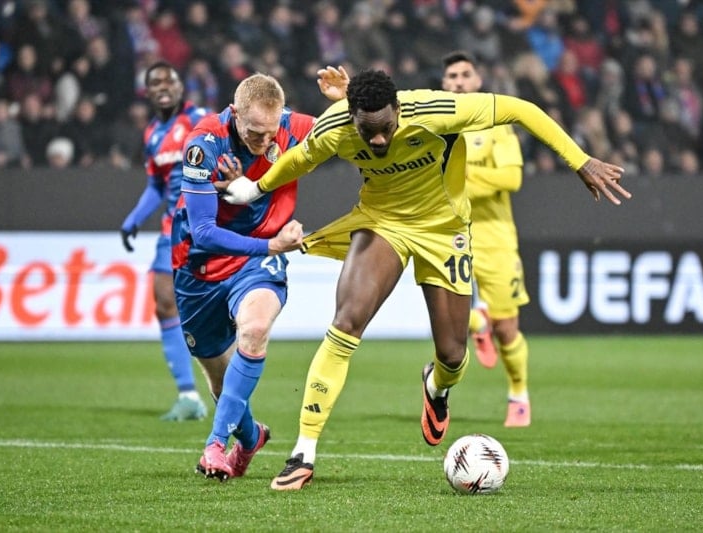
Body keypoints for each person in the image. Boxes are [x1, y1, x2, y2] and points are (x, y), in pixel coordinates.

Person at [220, 69, 631, 490]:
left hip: (444, 230)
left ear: (398, 109)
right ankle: (303, 454)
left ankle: (436, 386)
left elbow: (520, 110)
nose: (378, 140)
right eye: (367, 131)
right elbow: (300, 159)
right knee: (346, 322)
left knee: (453, 354)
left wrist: (580, 161)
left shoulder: (436, 111)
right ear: (351, 116)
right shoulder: (335, 127)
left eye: (386, 128)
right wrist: (253, 189)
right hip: (382, 223)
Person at [175, 69, 349, 480]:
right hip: (200, 267)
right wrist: (271, 245)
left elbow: (355, 132)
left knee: (254, 330)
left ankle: (214, 445)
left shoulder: (292, 127)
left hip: (257, 262)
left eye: (272, 132)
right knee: (221, 383)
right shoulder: (204, 144)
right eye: (255, 133)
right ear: (234, 113)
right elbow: (203, 232)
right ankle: (251, 438)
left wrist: (345, 100)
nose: (266, 141)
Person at [441, 50, 531, 428]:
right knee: (447, 322)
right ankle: (479, 324)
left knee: (507, 327)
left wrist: (461, 179)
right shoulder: (434, 127)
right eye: (452, 76)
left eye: (465, 75)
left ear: (478, 81)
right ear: (443, 84)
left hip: (494, 237)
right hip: (448, 235)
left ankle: (518, 395)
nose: (459, 82)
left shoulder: (496, 125)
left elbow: (511, 179)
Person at [119, 61, 209, 421]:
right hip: (172, 227)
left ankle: (230, 388)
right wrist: (134, 217)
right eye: (155, 83)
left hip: (206, 224)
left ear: (180, 86)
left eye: (168, 80)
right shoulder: (153, 133)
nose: (162, 87)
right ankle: (188, 396)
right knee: (164, 302)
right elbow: (157, 185)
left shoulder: (201, 120)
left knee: (216, 311)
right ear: (148, 92)